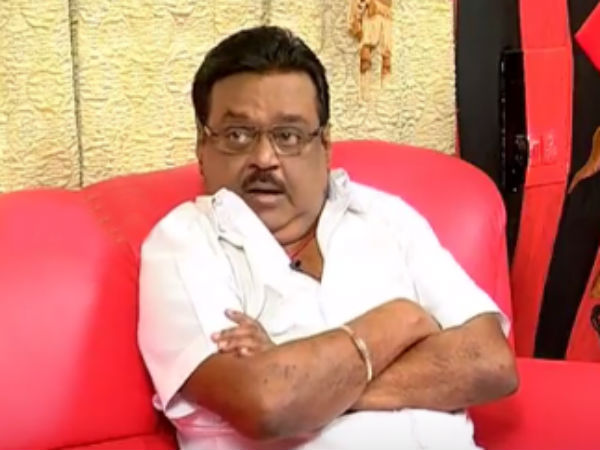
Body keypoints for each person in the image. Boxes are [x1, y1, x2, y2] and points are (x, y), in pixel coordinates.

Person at [138, 25, 518, 450]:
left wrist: (309, 378)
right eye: (237, 135)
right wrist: (401, 320)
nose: (264, 158)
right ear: (201, 147)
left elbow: (491, 363)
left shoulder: (385, 216)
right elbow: (268, 403)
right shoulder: (184, 243)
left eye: (288, 136)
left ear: (325, 144)